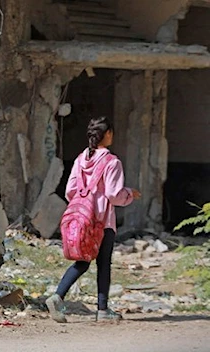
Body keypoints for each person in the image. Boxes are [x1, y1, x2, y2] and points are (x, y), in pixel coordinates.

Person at [46, 116, 141, 323]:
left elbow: (71, 190)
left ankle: (57, 296)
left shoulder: (81, 159)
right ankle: (103, 310)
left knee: (83, 261)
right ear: (107, 134)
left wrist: (84, 204)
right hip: (102, 221)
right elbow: (114, 194)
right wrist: (130, 194)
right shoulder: (112, 162)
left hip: (81, 218)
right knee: (103, 263)